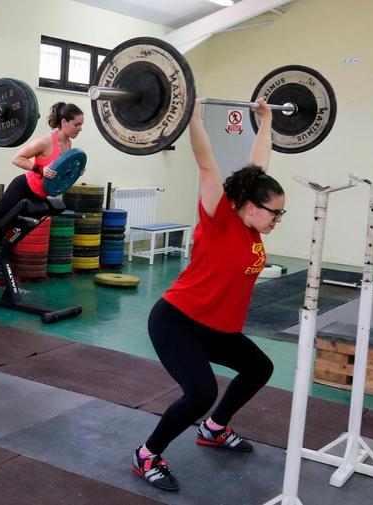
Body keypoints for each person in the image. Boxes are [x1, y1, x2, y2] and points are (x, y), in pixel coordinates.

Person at [132, 97, 283, 491]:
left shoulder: (252, 223)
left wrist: (265, 122)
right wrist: (193, 118)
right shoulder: (219, 218)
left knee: (259, 368)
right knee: (200, 392)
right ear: (250, 207)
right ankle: (147, 453)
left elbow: (258, 167)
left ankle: (214, 428)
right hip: (177, 320)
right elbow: (206, 165)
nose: (278, 219)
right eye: (274, 213)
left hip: (216, 327)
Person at [0, 102, 84, 282]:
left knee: (7, 226)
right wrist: (40, 169)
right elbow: (17, 158)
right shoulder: (47, 141)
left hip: (38, 194)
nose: (80, 129)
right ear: (64, 122)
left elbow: (59, 173)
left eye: (81, 125)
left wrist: (74, 172)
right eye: (77, 124)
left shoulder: (69, 144)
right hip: (23, 188)